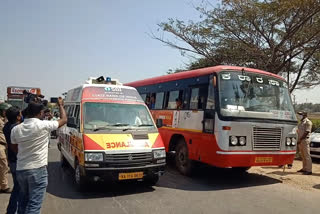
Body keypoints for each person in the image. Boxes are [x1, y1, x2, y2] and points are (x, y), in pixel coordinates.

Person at [11, 98, 67, 214]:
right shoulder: (43, 125)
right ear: (40, 113)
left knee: (23, 202)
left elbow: (14, 147)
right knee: (34, 206)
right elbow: (64, 120)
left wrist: (23, 155)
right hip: (37, 170)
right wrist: (60, 105)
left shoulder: (16, 129)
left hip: (21, 169)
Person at [3, 106, 24, 214]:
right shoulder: (16, 128)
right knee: (19, 188)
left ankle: (12, 210)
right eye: (20, 114)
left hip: (12, 160)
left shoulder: (7, 126)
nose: (22, 116)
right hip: (17, 160)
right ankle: (12, 210)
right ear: (17, 117)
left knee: (18, 186)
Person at [0, 103, 12, 194]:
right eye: (5, 111)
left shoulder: (3, 120)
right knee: (3, 166)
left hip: (4, 145)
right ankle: (4, 186)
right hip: (0, 145)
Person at [297, 111, 313, 175]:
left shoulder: (308, 122)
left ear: (305, 115)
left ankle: (309, 170)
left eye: (301, 114)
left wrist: (300, 139)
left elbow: (306, 132)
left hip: (304, 140)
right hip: (300, 141)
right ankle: (304, 168)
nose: (299, 116)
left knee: (307, 155)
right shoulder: (301, 122)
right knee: (303, 156)